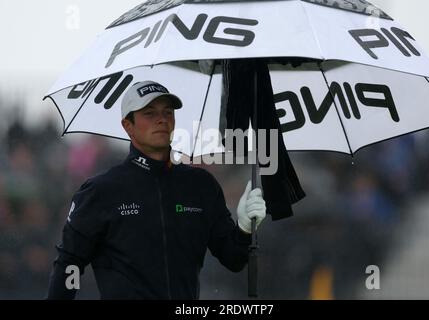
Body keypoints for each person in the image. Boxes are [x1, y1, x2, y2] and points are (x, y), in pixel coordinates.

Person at [47, 81, 266, 299]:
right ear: (127, 125)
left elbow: (234, 259)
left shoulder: (201, 186)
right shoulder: (100, 191)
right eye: (149, 113)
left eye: (167, 112)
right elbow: (70, 263)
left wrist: (245, 229)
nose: (161, 119)